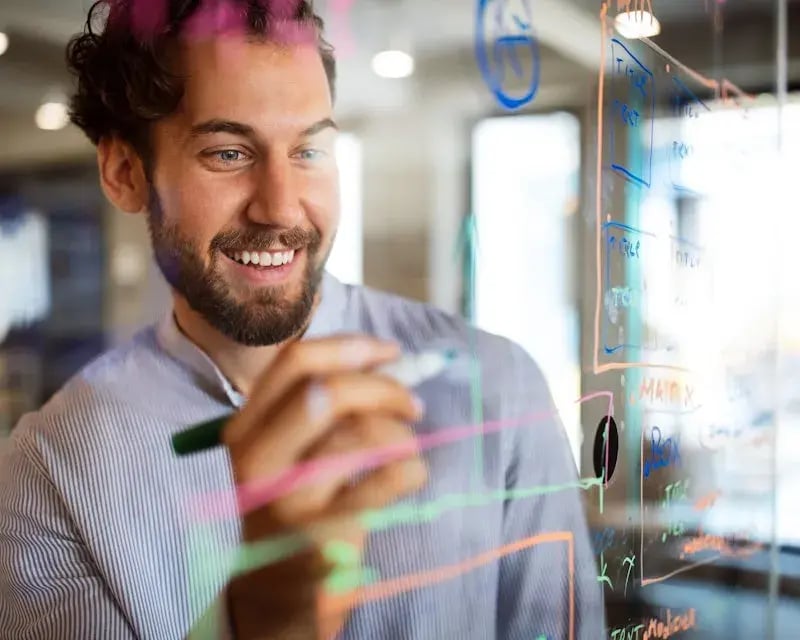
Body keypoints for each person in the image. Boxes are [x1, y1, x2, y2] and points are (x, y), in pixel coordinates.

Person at [0, 0, 603, 638]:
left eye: (309, 150)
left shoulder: (496, 388)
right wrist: (263, 619)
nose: (282, 207)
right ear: (125, 173)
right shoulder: (47, 474)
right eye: (229, 153)